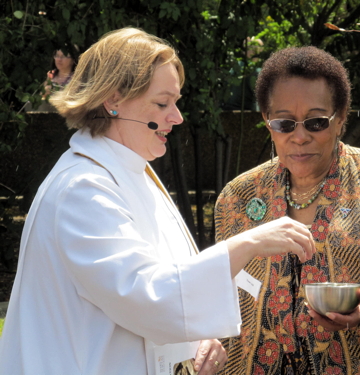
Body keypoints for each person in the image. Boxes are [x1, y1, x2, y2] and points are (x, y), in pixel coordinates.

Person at [0, 28, 316, 375]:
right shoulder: (83, 189)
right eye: (162, 103)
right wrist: (248, 244)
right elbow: (145, 296)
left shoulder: (129, 171)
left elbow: (167, 284)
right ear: (113, 100)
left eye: (175, 102)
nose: (177, 117)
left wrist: (197, 337)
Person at [214, 46, 360, 374]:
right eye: (285, 123)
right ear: (267, 122)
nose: (299, 137)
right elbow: (219, 301)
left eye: (316, 122)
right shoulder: (238, 198)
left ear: (341, 118)